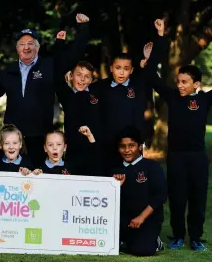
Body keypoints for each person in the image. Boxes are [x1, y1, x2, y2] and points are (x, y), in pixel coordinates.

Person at [0, 13, 90, 167]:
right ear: (17, 48)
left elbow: (74, 55)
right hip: (12, 139)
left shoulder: (50, 66)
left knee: (36, 181)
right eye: (22, 44)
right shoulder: (7, 71)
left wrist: (84, 28)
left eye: (30, 43)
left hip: (40, 137)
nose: (26, 47)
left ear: (37, 47)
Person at [147, 62, 209, 251]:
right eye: (178, 81)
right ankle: (178, 236)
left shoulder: (205, 99)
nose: (180, 85)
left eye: (184, 82)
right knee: (177, 198)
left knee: (198, 198)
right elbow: (154, 80)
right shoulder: (173, 97)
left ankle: (196, 237)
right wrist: (149, 60)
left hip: (198, 158)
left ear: (196, 84)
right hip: (176, 158)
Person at [90, 19, 167, 173]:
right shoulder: (98, 88)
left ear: (131, 70)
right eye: (118, 68)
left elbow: (152, 63)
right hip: (106, 147)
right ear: (111, 68)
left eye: (126, 68)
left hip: (132, 148)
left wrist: (160, 35)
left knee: (133, 187)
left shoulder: (138, 85)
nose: (122, 72)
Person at [53, 29, 102, 175]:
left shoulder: (97, 94)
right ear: (71, 76)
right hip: (73, 153)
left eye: (87, 76)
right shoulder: (66, 95)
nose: (82, 79)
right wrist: (59, 44)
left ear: (91, 80)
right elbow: (57, 71)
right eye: (79, 75)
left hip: (94, 150)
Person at [113, 126, 166, 256]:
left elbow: (161, 195)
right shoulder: (115, 170)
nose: (127, 150)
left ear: (140, 147)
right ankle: (126, 241)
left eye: (131, 146)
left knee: (143, 250)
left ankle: (154, 241)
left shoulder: (152, 166)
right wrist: (115, 186)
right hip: (124, 220)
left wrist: (141, 217)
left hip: (146, 219)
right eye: (122, 146)